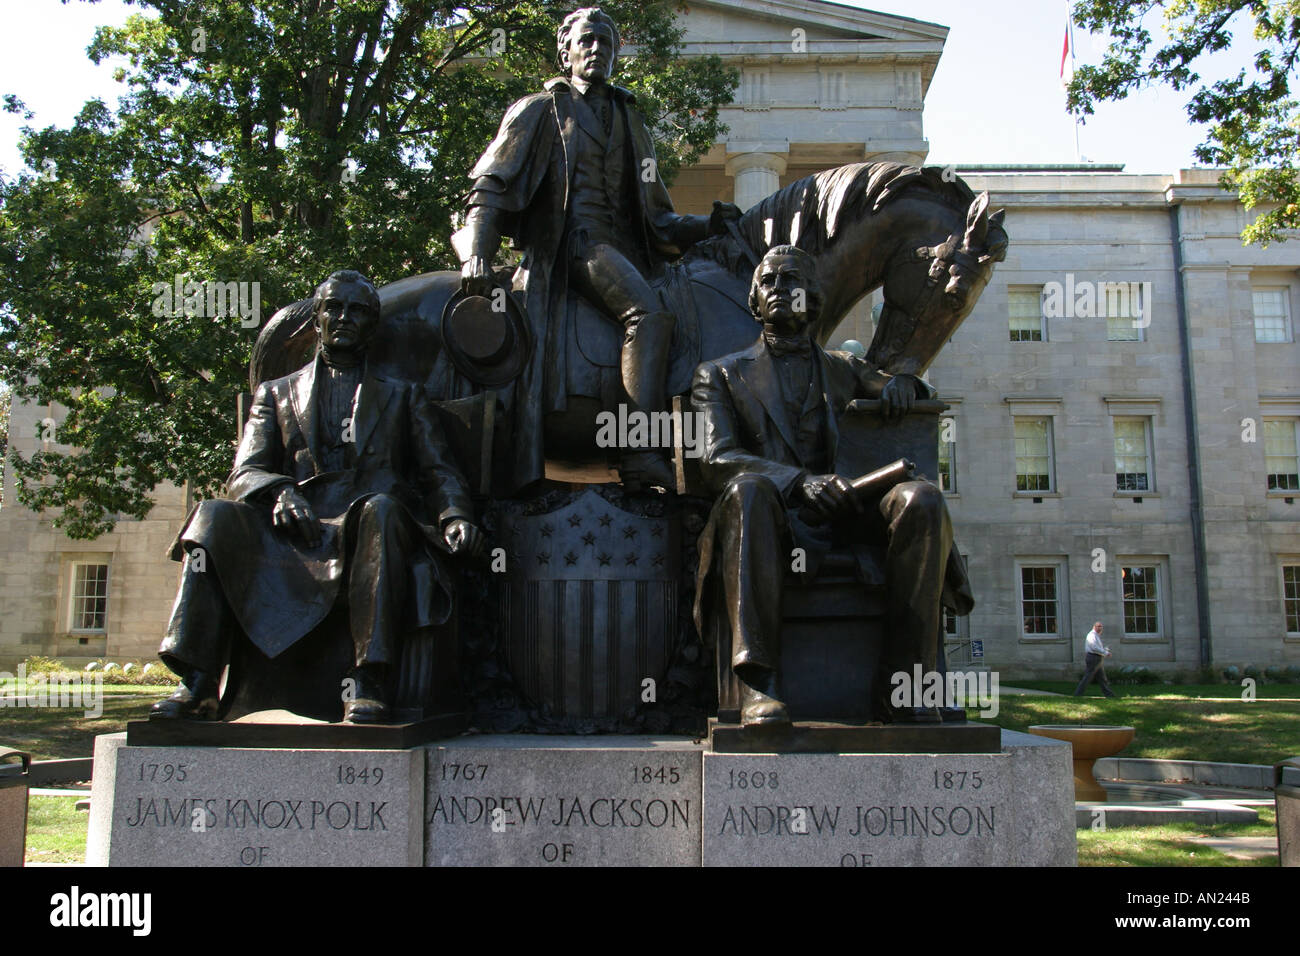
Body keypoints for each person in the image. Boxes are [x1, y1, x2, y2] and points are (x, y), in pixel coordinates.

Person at [151, 270, 485, 724]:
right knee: (211, 516)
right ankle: (198, 682)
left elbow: (438, 470)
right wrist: (280, 490)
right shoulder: (275, 393)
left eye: (359, 311)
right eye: (335, 308)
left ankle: (367, 682)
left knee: (383, 510)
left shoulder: (404, 395)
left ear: (373, 325)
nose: (345, 318)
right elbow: (245, 471)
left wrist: (454, 516)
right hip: (295, 527)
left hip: (366, 524)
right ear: (317, 320)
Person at [456, 6, 741, 490]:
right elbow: (491, 185)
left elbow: (659, 217)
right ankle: (638, 450)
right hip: (572, 246)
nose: (596, 50)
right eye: (586, 40)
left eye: (606, 43)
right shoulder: (540, 109)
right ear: (564, 50)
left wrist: (710, 224)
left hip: (627, 249)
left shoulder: (630, 118)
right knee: (648, 314)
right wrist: (476, 253)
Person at [690, 245, 973, 726]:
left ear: (813, 300)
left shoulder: (844, 368)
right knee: (748, 490)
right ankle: (759, 685)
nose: (780, 289)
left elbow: (899, 387)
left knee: (922, 500)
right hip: (768, 521)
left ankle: (904, 685)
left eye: (793, 280)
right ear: (755, 302)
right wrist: (800, 484)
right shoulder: (718, 375)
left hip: (844, 518)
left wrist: (905, 384)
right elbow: (714, 459)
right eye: (770, 281)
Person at [1073, 621, 1116, 697]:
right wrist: (1105, 653)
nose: (1100, 628)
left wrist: (1104, 650)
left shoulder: (1096, 636)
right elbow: (1094, 647)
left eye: (1101, 626)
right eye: (1098, 626)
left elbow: (1097, 648)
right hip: (1093, 658)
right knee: (1088, 677)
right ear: (1094, 627)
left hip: (1097, 658)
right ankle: (1078, 694)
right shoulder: (1092, 635)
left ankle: (1109, 694)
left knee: (1102, 678)